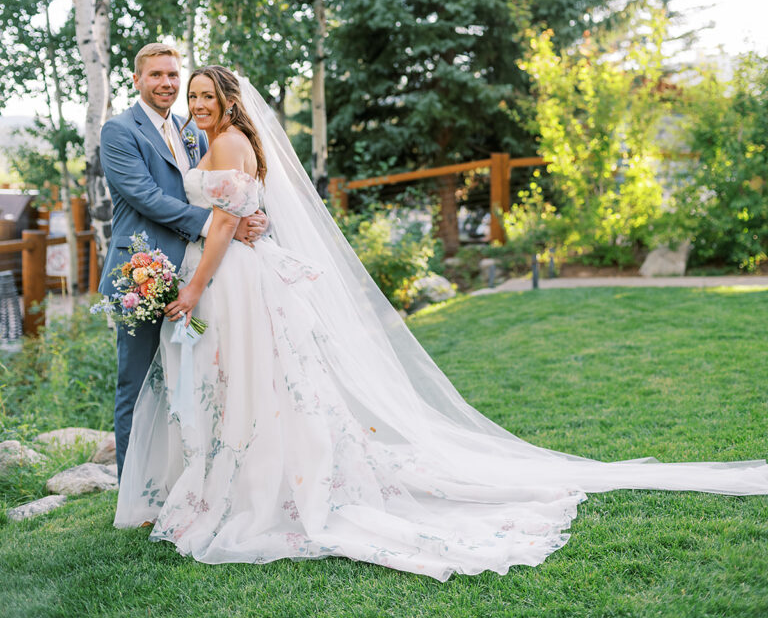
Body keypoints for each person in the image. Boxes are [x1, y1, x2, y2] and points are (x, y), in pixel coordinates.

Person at [114, 65, 768, 580]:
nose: (196, 102)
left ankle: (254, 484)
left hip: (231, 279)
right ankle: (260, 475)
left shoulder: (225, 142)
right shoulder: (227, 140)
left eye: (206, 93)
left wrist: (194, 285)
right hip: (243, 275)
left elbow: (227, 220)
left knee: (252, 383)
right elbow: (238, 213)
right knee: (259, 384)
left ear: (228, 100)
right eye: (191, 94)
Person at [100, 45, 268, 480]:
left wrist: (248, 216)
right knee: (137, 385)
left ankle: (186, 479)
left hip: (200, 276)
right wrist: (219, 224)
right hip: (142, 276)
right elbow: (145, 197)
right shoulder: (119, 131)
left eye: (173, 75)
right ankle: (133, 487)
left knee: (192, 379)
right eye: (156, 75)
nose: (168, 84)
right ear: (137, 80)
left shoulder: (192, 129)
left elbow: (220, 187)